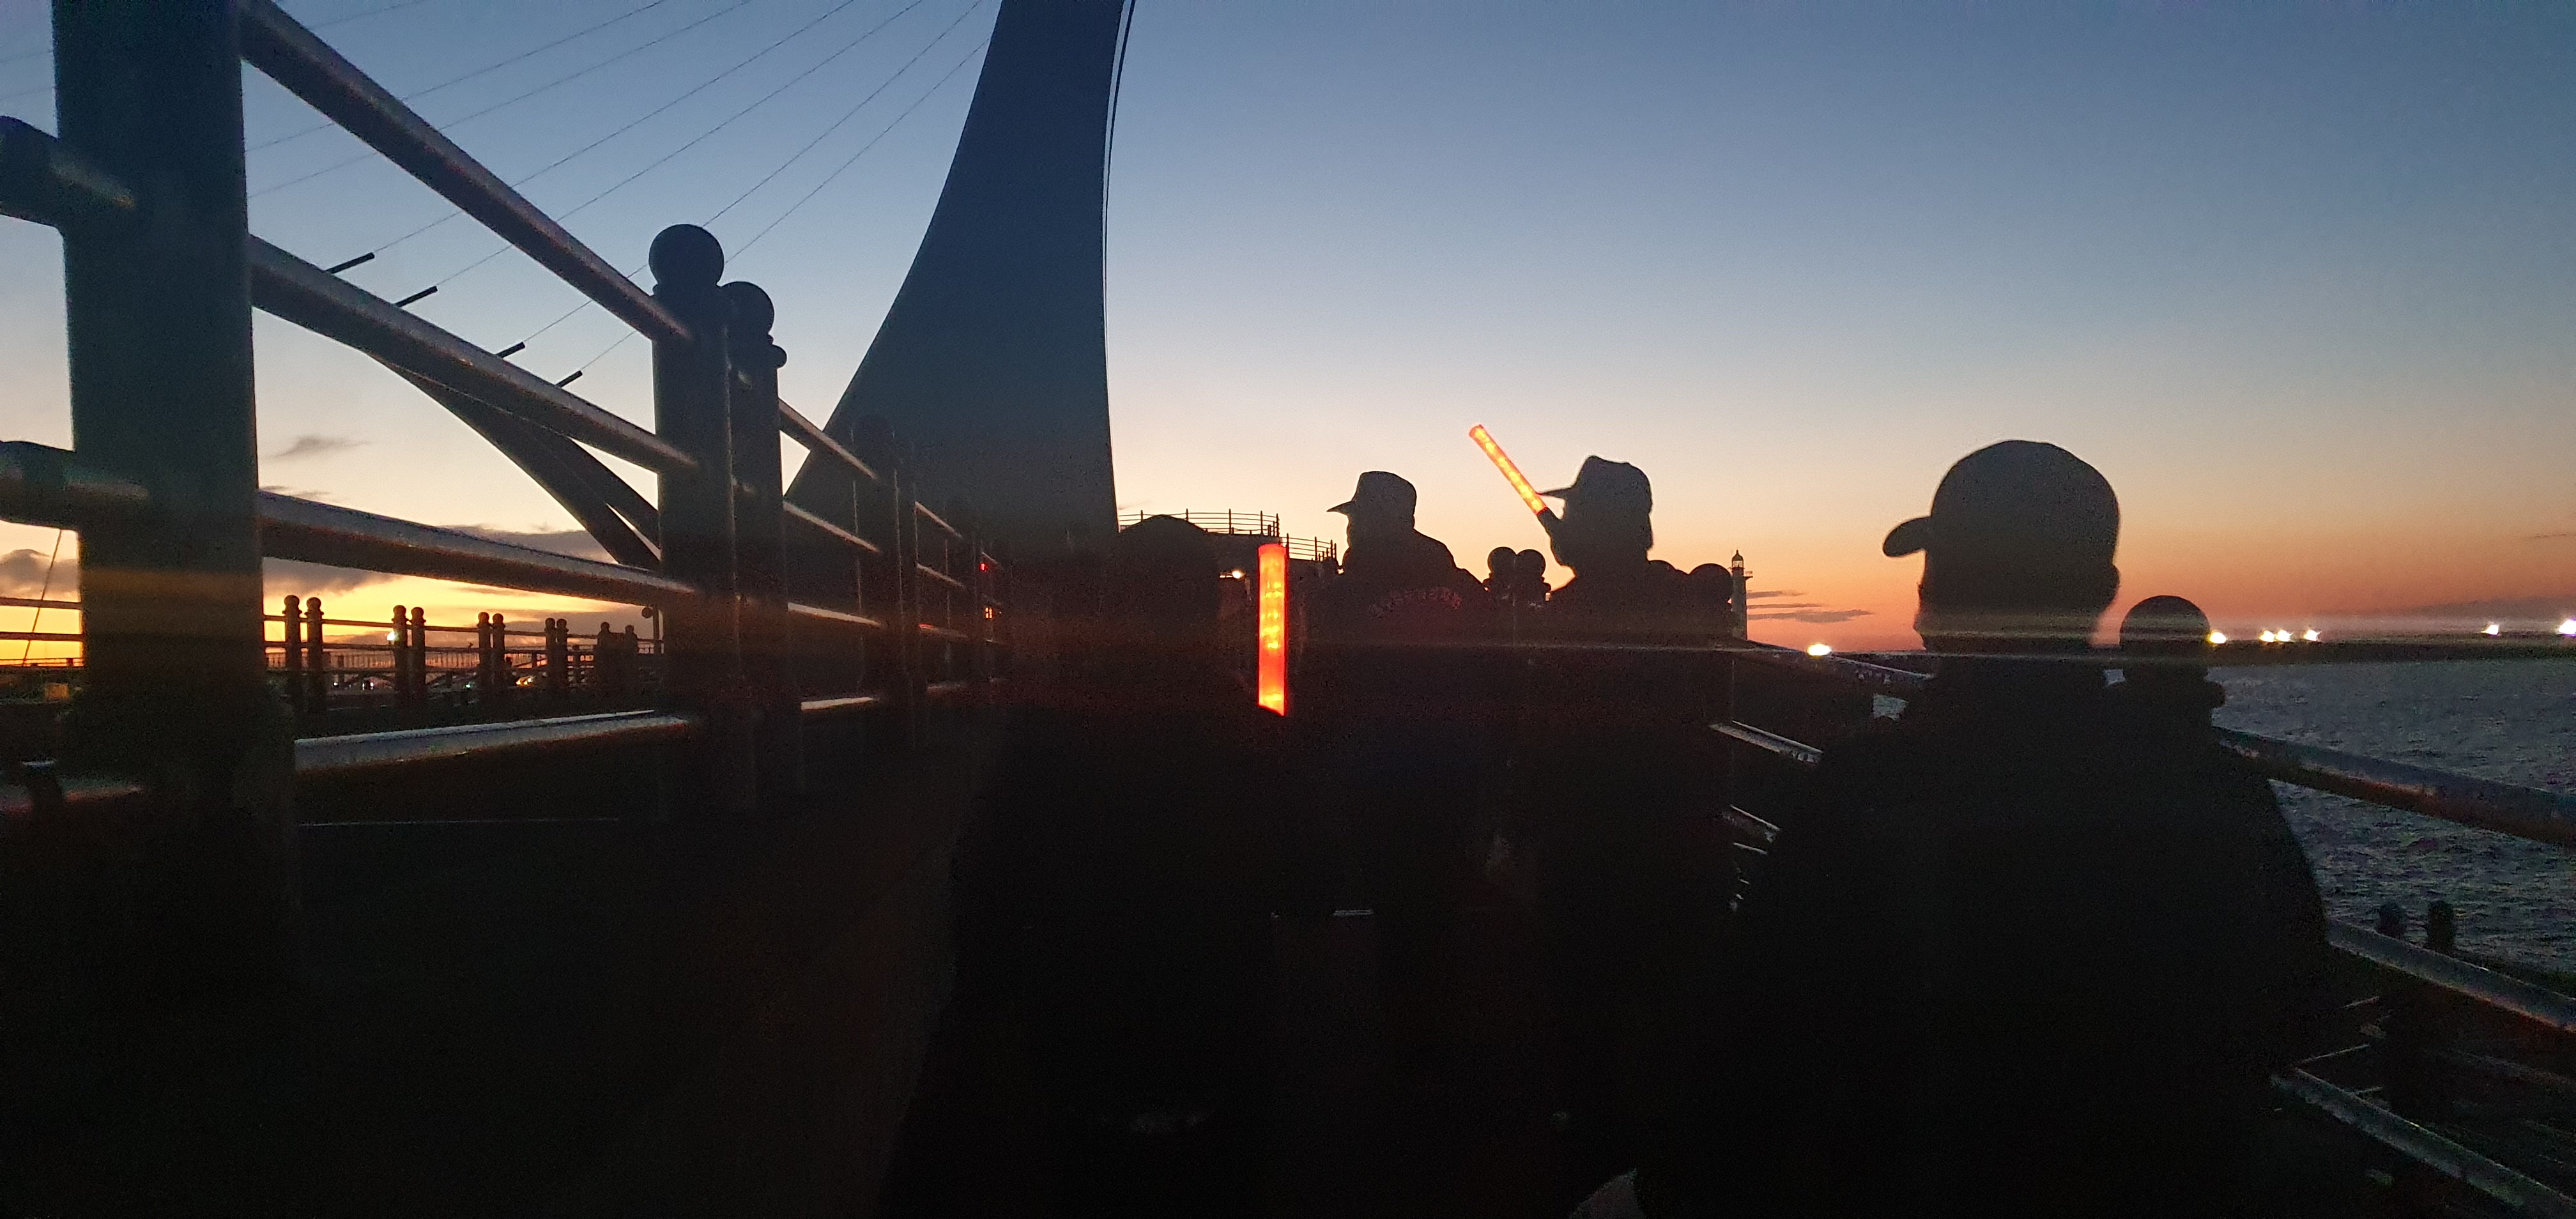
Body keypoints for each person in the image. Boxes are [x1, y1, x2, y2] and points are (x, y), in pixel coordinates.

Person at [1637, 441, 2329, 1218]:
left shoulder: (1874, 793)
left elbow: (1752, 1043)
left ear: (1937, 601)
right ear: (2104, 594)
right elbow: (2300, 1009)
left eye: (1940, 570)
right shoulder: (2218, 786)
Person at [952, 514, 1295, 1212]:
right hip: (1218, 1051)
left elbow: (985, 891)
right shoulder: (1261, 741)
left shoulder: (1043, 737)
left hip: (1082, 1052)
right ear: (1212, 611)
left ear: (1108, 608)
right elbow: (1309, 886)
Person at [1515, 457, 1730, 1199]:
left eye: (1574, 515)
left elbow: (1545, 739)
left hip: (1592, 844)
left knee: (1586, 1008)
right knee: (1676, 1012)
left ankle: (1598, 1155)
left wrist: (1518, 830)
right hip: (1687, 835)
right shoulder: (1684, 600)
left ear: (1597, 527)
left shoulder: (1571, 615)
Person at [1304, 471, 1493, 1059]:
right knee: (1441, 897)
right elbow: (1499, 673)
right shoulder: (1465, 589)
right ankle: (1443, 1030)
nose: (1351, 528)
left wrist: (1309, 764)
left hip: (1375, 770)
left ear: (1372, 521)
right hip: (1458, 768)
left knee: (1391, 899)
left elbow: (1320, 685)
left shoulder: (1342, 596)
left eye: (1356, 517)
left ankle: (1401, 1039)